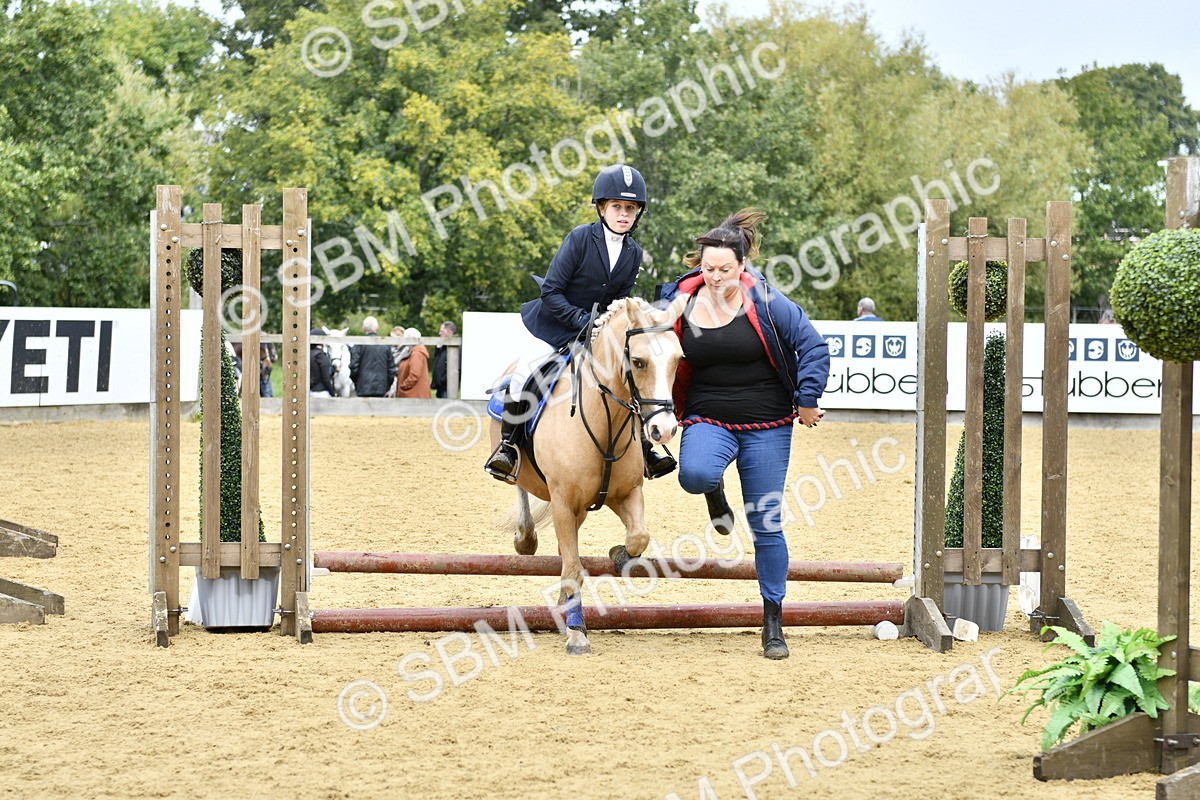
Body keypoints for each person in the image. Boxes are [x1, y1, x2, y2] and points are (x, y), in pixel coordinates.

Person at [658, 209, 830, 660]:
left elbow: (813, 346)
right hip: (706, 417)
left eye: (725, 270)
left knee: (766, 523)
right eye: (707, 269)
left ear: (743, 265)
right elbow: (647, 340)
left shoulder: (771, 304)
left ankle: (772, 621)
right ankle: (714, 493)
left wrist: (808, 400)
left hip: (768, 424)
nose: (715, 277)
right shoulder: (679, 303)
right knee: (693, 474)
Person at [484, 163, 676, 483]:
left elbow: (620, 302)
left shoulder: (634, 252)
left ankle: (644, 449)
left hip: (596, 334)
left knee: (629, 378)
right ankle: (508, 447)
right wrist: (581, 320)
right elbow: (551, 291)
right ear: (601, 208)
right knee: (524, 374)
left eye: (631, 208)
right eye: (616, 206)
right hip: (553, 326)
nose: (623, 214)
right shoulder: (580, 238)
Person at [349, 316, 395, 398]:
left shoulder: (359, 344)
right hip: (382, 387)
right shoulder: (385, 345)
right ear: (377, 327)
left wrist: (357, 382)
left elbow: (353, 367)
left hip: (363, 387)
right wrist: (387, 385)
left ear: (363, 328)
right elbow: (391, 369)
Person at [393, 327, 432, 399]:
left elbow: (414, 374)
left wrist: (403, 386)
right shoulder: (411, 352)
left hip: (414, 394)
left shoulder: (417, 353)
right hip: (412, 394)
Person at [309, 328, 337, 397]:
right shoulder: (321, 356)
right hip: (321, 392)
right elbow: (326, 378)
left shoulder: (308, 354)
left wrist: (333, 369)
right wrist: (332, 393)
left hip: (310, 392)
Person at [431, 321, 455, 398]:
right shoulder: (442, 347)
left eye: (442, 331)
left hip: (447, 387)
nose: (439, 333)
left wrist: (443, 381)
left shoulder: (455, 348)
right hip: (440, 387)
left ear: (449, 332)